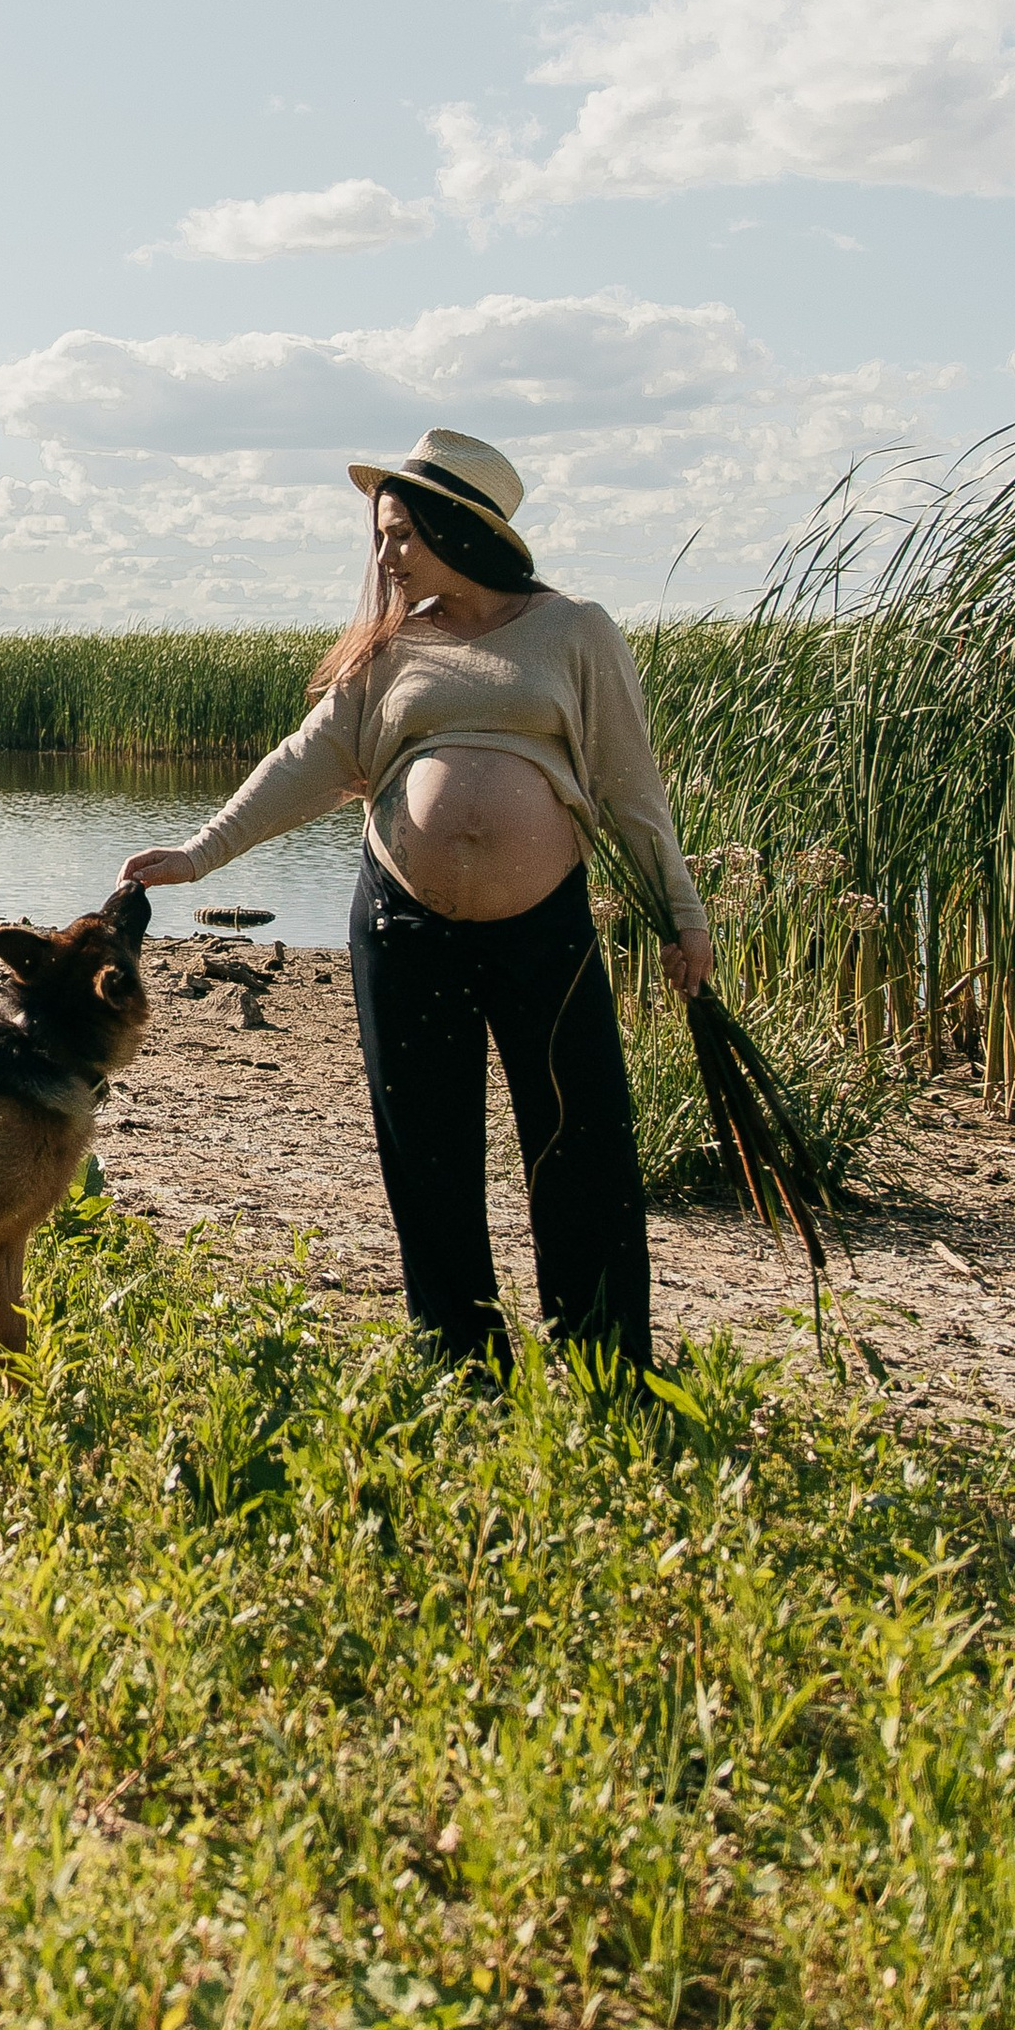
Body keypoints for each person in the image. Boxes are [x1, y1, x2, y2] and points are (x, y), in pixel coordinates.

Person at [120, 428, 711, 1373]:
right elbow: (306, 761)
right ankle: (461, 1362)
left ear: (458, 529)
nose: (383, 553)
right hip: (403, 926)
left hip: (543, 928)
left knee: (579, 1141)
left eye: (398, 532)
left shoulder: (576, 631)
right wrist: (199, 853)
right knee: (427, 1152)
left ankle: (606, 1365)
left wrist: (683, 914)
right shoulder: (389, 649)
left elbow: (630, 787)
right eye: (381, 534)